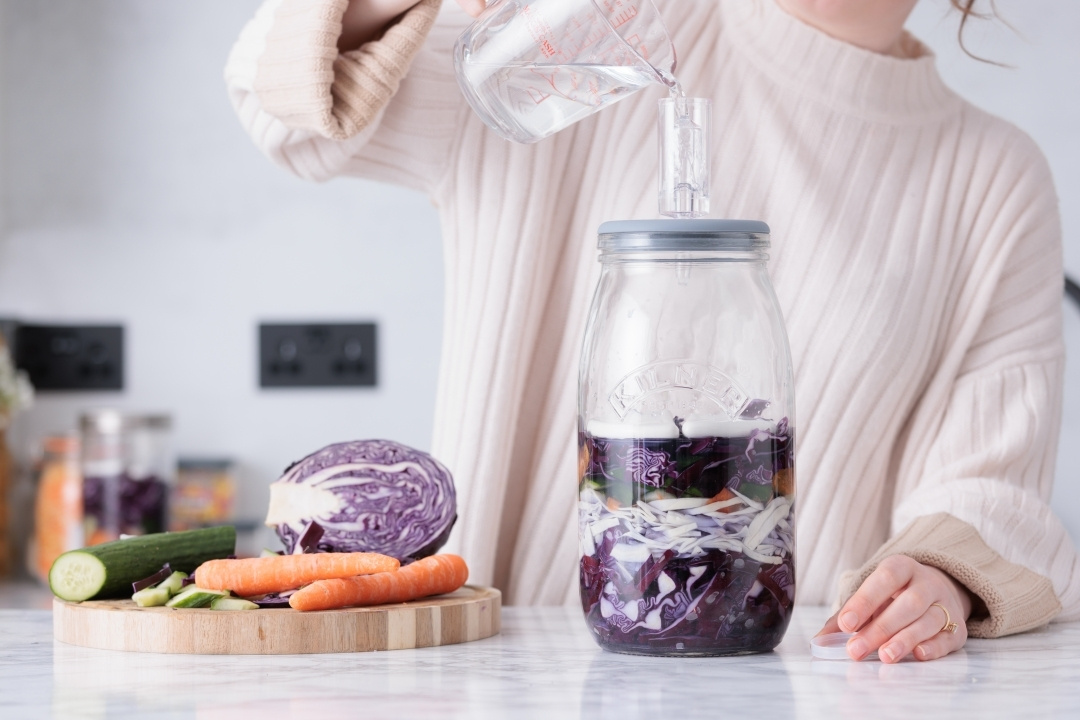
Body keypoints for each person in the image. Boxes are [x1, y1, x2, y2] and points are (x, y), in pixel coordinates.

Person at [225, 0, 1080, 662]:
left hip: (797, 678)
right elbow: (276, 107)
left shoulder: (992, 178)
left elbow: (989, 485)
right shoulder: (602, 31)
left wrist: (943, 577)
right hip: (489, 669)